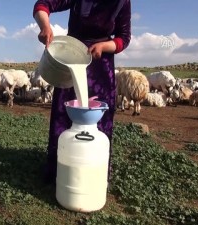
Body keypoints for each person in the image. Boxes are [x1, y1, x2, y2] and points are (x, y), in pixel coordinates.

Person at [33, 0, 131, 184]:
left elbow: (123, 37)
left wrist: (104, 46)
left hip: (101, 64)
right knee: (65, 113)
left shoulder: (122, 1)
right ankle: (59, 168)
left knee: (98, 116)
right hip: (73, 56)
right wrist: (45, 26)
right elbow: (43, 4)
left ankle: (95, 169)